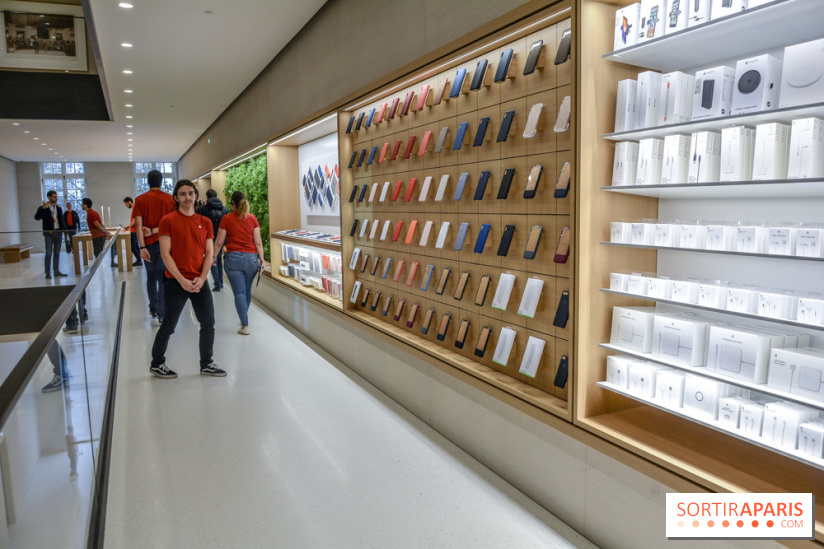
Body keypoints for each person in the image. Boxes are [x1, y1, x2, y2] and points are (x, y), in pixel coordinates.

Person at [149, 179, 225, 379]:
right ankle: (157, 363)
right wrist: (182, 280)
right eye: (182, 194)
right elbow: (166, 254)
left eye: (190, 193)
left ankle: (206, 363)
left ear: (196, 196)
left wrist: (202, 278)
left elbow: (209, 254)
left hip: (200, 281)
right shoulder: (168, 220)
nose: (187, 197)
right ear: (176, 197)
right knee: (168, 326)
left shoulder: (205, 222)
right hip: (175, 282)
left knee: (208, 323)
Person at [214, 191, 264, 335]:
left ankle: (245, 325)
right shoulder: (253, 219)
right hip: (251, 260)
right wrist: (261, 260)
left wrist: (213, 258)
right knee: (247, 291)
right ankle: (244, 317)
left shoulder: (226, 219)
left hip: (233, 259)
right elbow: (258, 242)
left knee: (239, 292)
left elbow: (219, 242)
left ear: (233, 204)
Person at [134, 170, 176, 324]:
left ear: (147, 182)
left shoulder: (140, 200)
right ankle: (162, 312)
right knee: (163, 277)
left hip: (148, 245)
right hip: (166, 244)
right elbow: (173, 223)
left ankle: (153, 308)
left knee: (151, 277)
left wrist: (142, 246)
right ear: (161, 181)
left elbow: (138, 225)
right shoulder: (170, 200)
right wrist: (157, 230)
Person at [196, 189, 228, 292]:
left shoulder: (204, 209)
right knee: (218, 259)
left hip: (210, 238)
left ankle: (217, 283)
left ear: (207, 197)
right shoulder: (224, 209)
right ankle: (221, 282)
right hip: (222, 238)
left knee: (212, 259)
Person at [34, 190, 67, 279]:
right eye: (54, 197)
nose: (56, 198)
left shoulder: (59, 208)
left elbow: (62, 220)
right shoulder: (43, 207)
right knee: (48, 253)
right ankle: (47, 272)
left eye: (56, 197)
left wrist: (64, 231)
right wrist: (42, 209)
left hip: (58, 232)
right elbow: (37, 217)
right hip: (49, 233)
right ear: (49, 197)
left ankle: (56, 271)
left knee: (57, 253)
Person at [113, 197, 143, 267]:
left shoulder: (135, 209)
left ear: (129, 202)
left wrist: (127, 227)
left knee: (132, 246)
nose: (126, 206)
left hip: (135, 231)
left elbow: (134, 221)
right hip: (133, 230)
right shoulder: (134, 209)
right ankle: (139, 260)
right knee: (135, 246)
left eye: (126, 204)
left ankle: (139, 260)